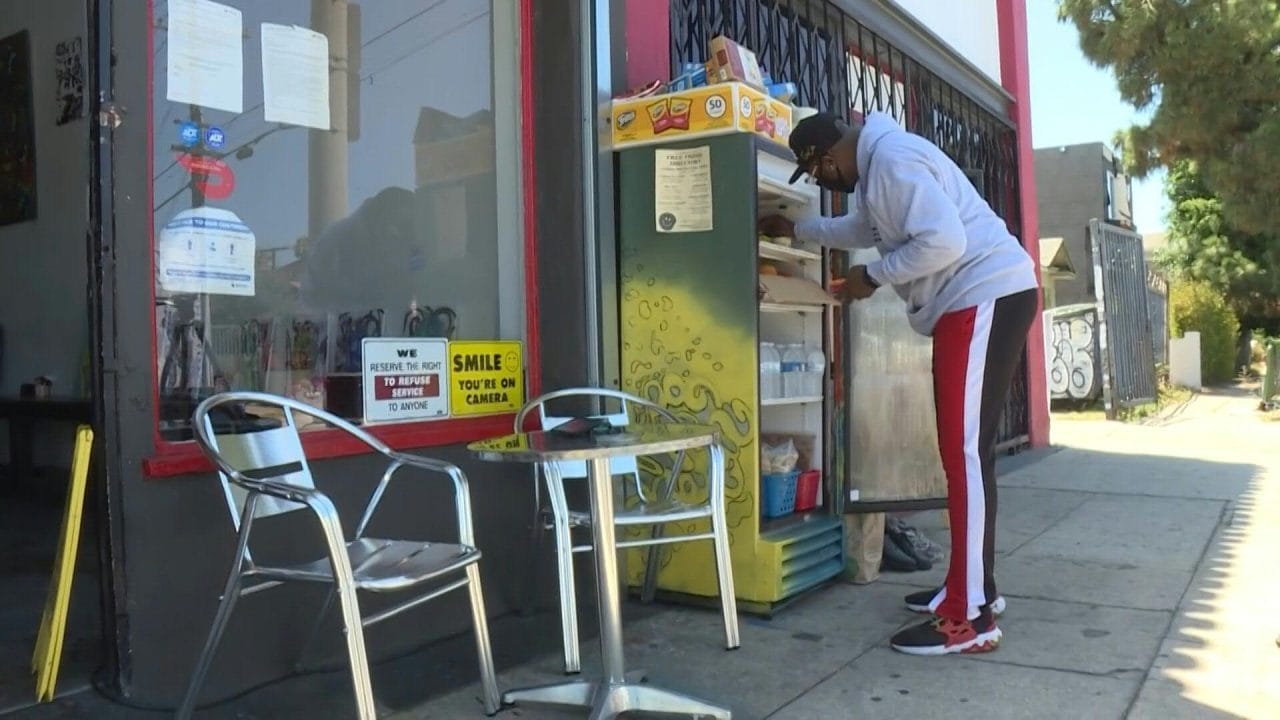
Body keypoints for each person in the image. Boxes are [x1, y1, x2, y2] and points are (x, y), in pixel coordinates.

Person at [760, 111, 1039, 656]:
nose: (821, 184)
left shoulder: (889, 161)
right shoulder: (880, 169)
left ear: (826, 158)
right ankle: (974, 586)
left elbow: (943, 242)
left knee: (963, 455)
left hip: (982, 295)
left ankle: (968, 618)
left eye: (816, 175)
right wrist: (797, 229)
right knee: (969, 455)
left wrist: (873, 276)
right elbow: (861, 230)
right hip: (981, 298)